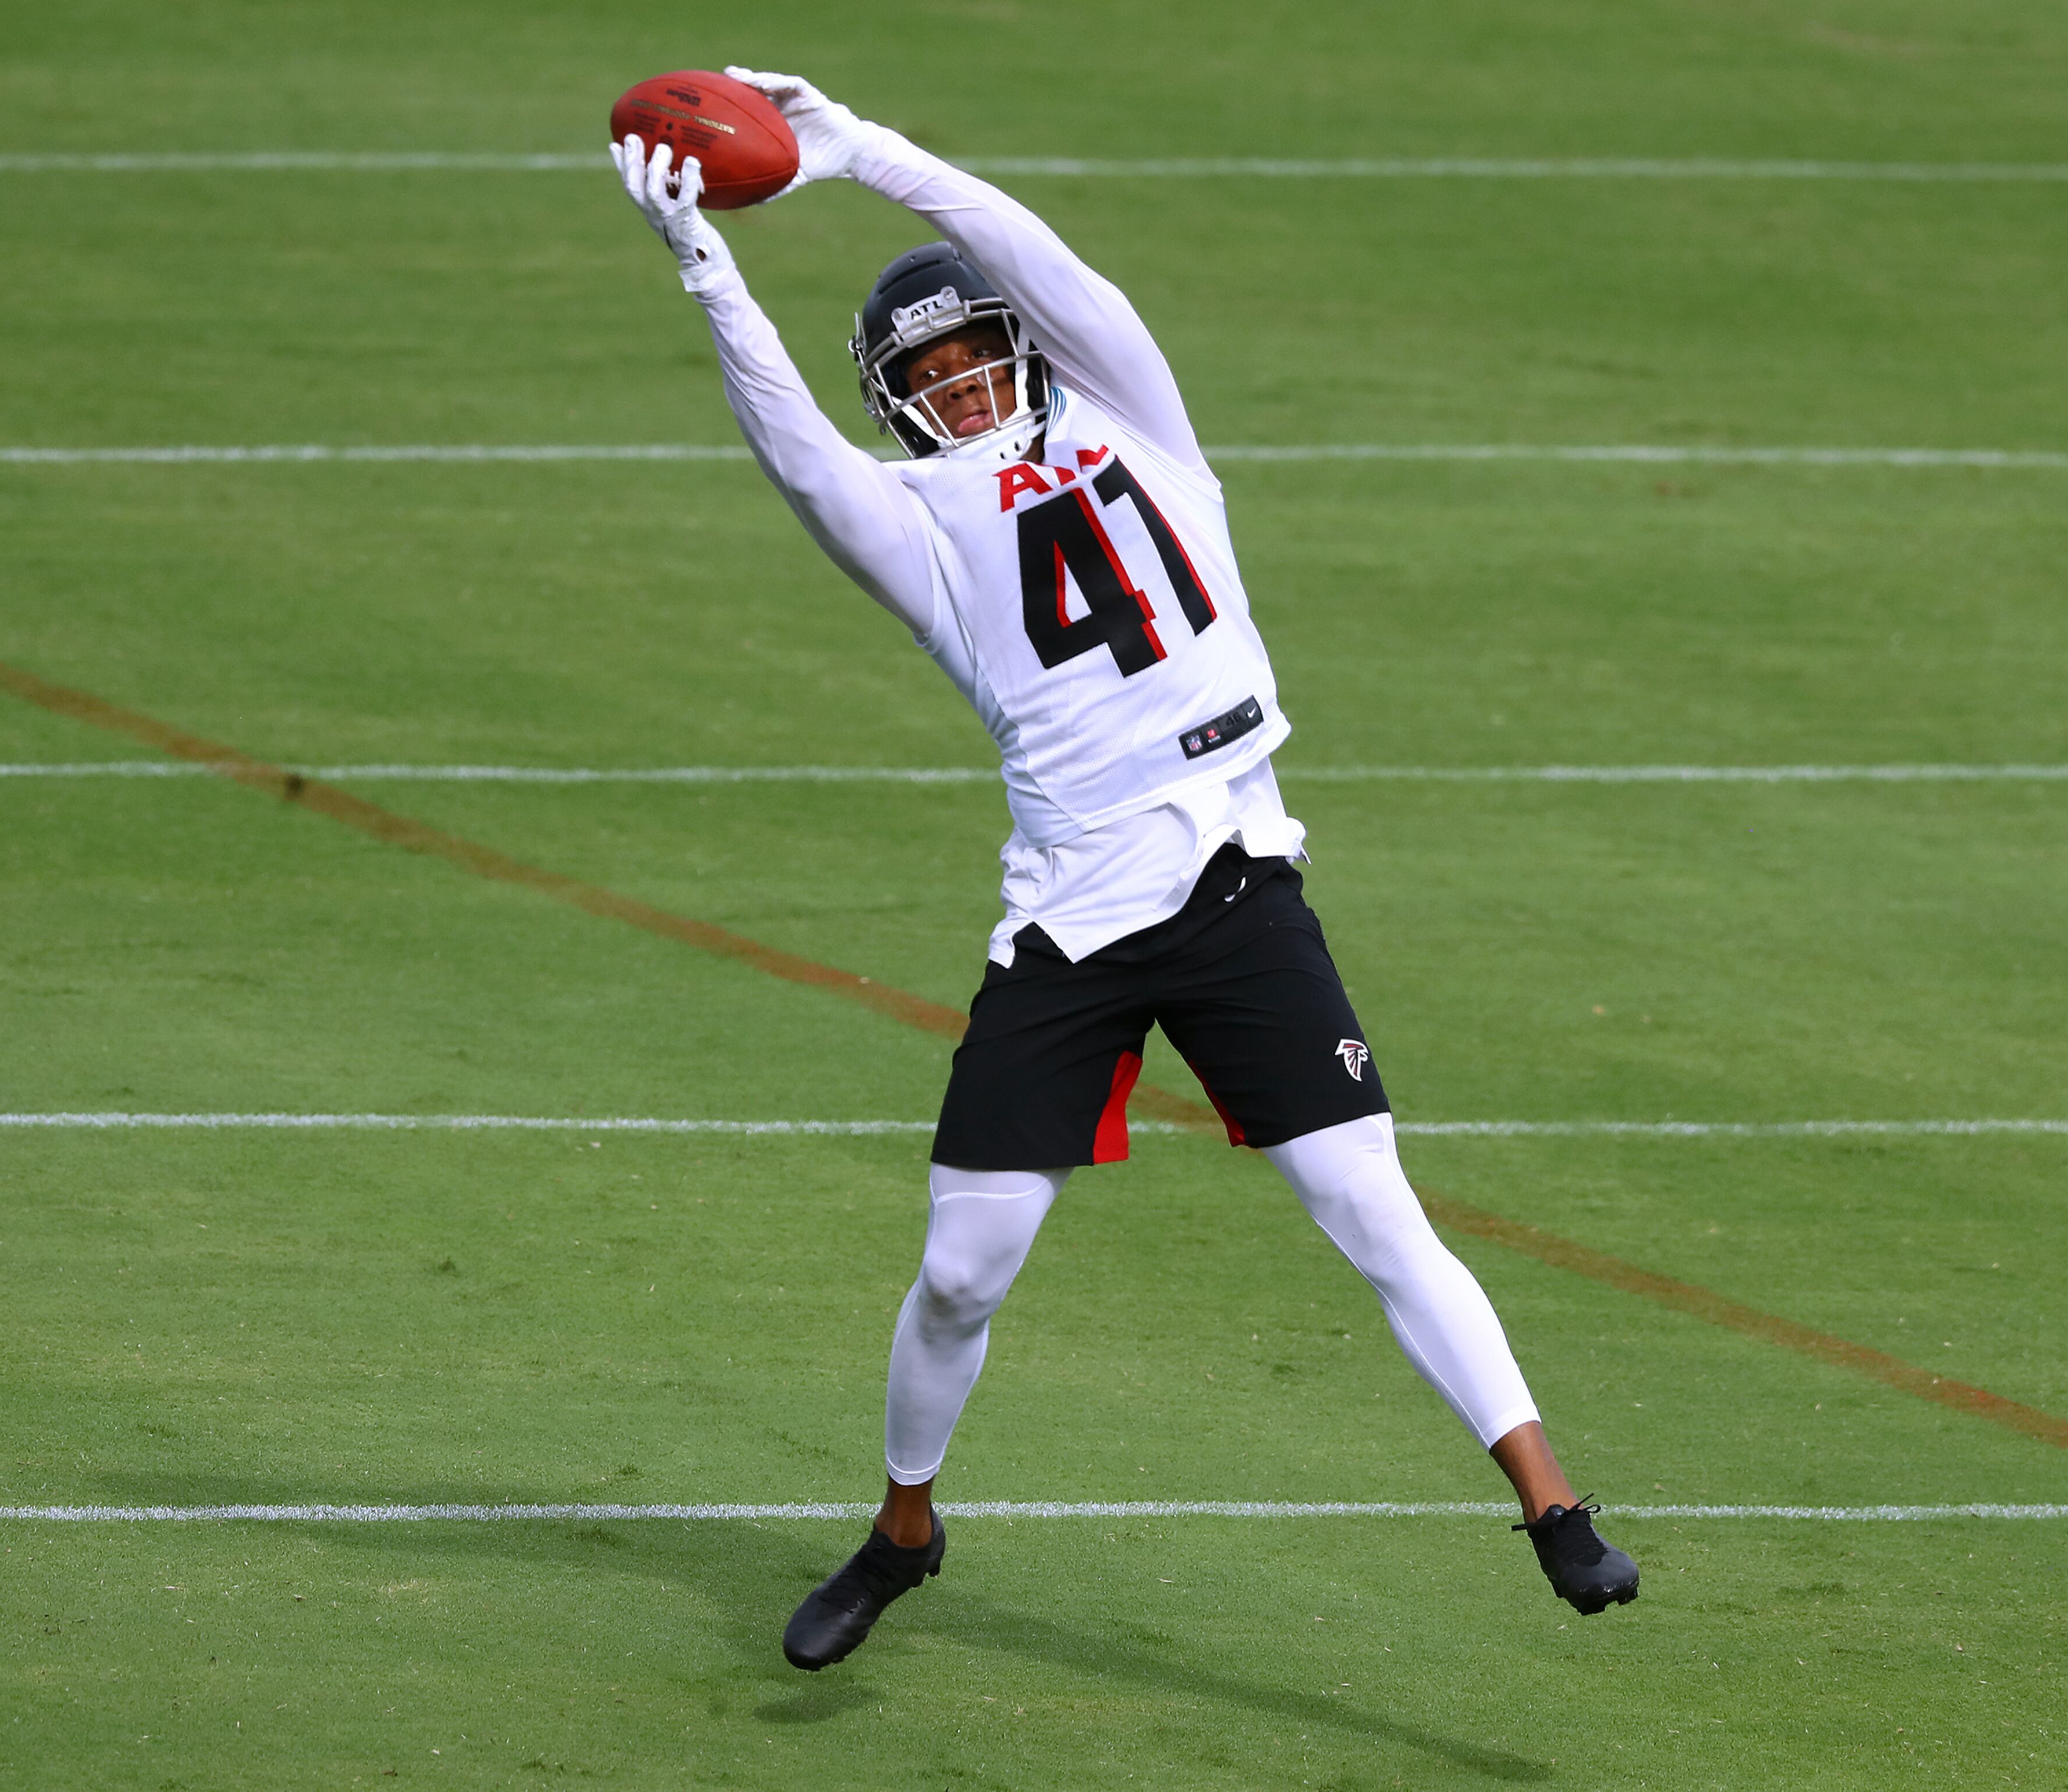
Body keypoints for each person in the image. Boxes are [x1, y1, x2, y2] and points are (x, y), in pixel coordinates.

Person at [610, 69, 1639, 1672]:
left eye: (969, 353)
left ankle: (1554, 1508)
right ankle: (903, 1528)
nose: (955, 387)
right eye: (925, 374)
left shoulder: (1132, 411)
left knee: (1372, 1207)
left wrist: (862, 151)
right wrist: (706, 265)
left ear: (1011, 345)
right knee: (963, 1270)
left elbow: (1038, 251)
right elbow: (800, 458)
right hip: (1079, 920)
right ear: (899, 396)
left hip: (1236, 878)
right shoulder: (919, 521)